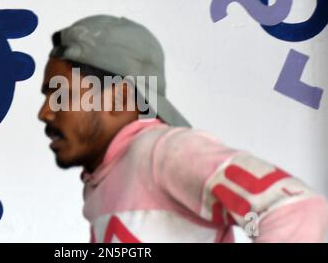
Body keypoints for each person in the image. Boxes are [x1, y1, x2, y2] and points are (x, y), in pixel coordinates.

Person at [38, 15, 328, 242]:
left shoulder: (164, 152)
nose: (45, 113)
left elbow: (296, 208)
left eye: (60, 95)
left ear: (119, 98)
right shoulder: (103, 178)